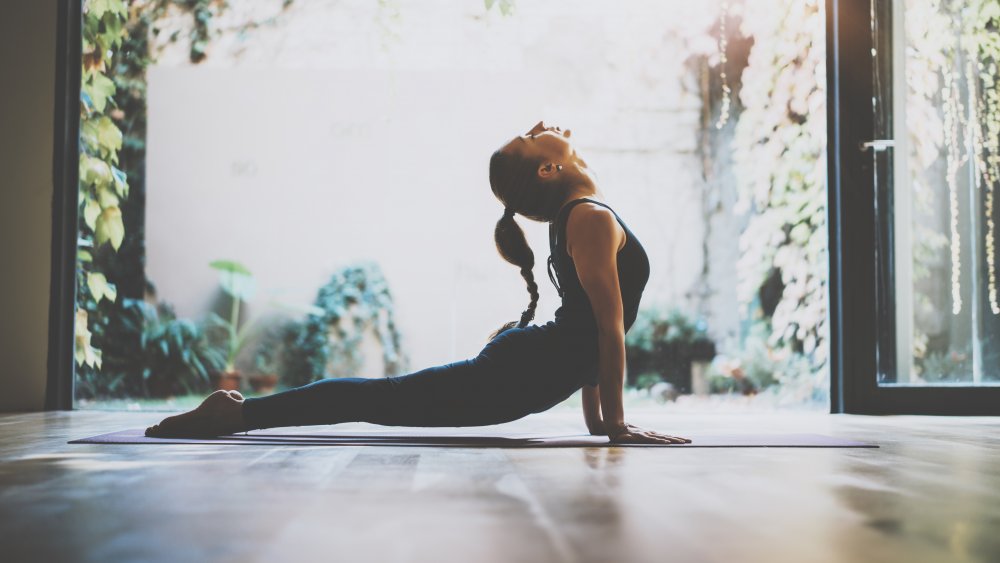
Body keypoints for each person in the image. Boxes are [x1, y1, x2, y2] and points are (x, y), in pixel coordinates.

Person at [145, 121, 691, 445]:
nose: (545, 127)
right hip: (521, 373)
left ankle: (238, 413)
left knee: (385, 399)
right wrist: (613, 423)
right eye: (533, 136)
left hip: (529, 370)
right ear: (549, 170)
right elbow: (605, 328)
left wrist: (600, 421)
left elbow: (590, 332)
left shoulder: (578, 215)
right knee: (381, 399)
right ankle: (235, 414)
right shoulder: (588, 217)